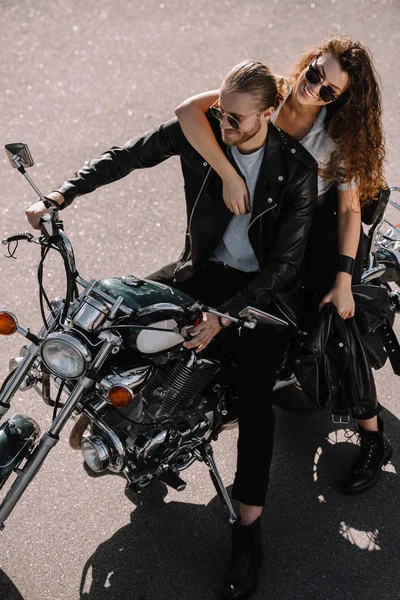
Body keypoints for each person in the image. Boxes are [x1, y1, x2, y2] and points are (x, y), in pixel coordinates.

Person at [26, 61, 317, 600]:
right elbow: (128, 156)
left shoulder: (295, 169)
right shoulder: (208, 136)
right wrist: (60, 196)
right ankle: (128, 424)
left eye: (236, 121)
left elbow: (286, 265)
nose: (223, 127)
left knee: (255, 405)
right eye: (219, 114)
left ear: (268, 115)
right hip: (203, 270)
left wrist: (225, 315)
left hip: (264, 296)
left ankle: (248, 533)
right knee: (119, 315)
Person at [174, 35, 392, 498]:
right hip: (247, 235)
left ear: (341, 99)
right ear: (310, 60)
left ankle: (373, 435)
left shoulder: (335, 138)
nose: (314, 88)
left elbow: (351, 211)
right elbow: (189, 114)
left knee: (336, 318)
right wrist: (230, 174)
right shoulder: (267, 92)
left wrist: (344, 278)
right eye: (315, 73)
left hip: (310, 236)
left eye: (329, 89)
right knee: (169, 293)